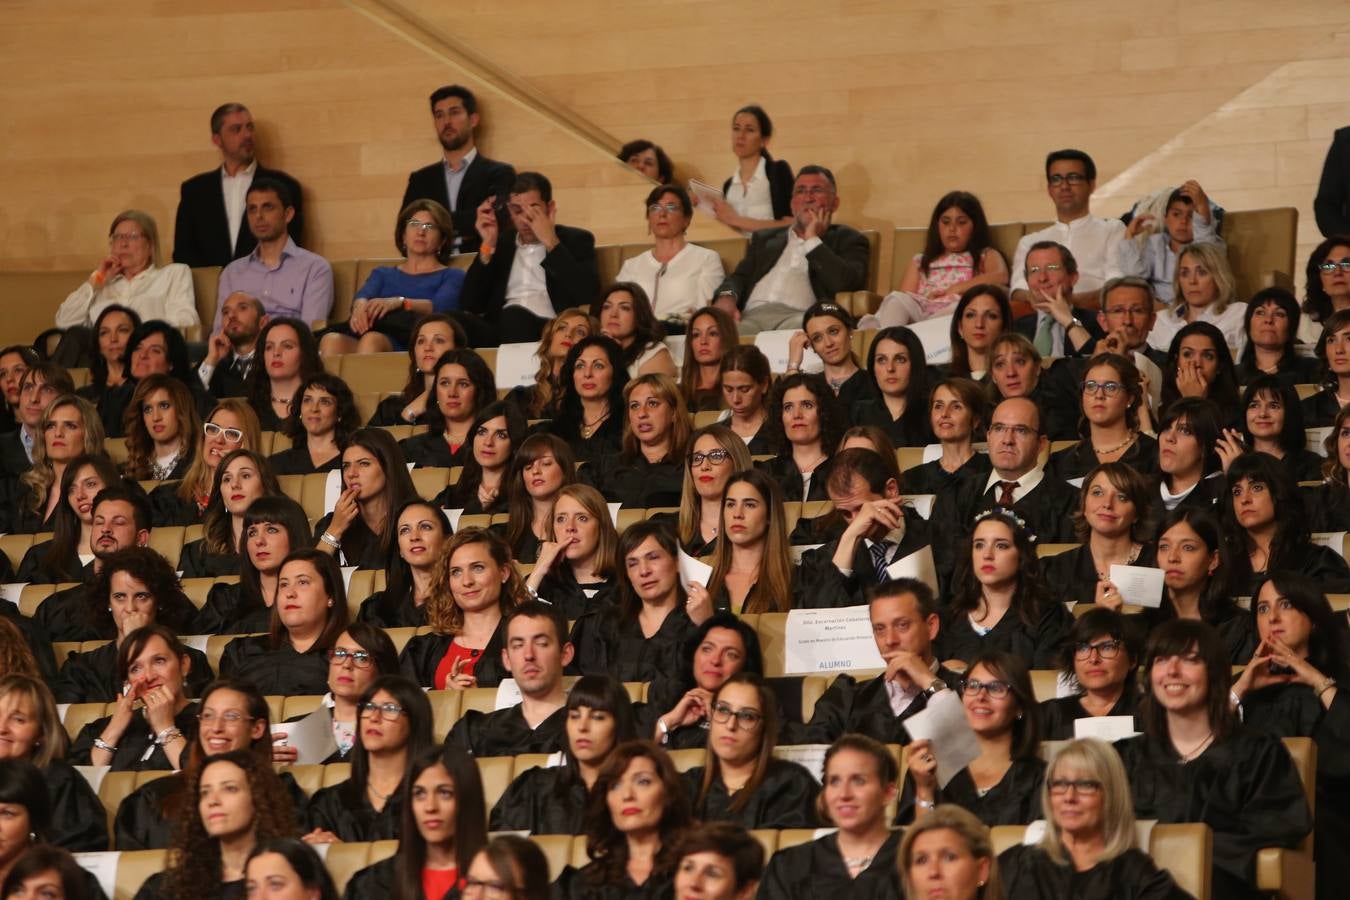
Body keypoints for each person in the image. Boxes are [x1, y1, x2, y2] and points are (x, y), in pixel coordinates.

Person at [1115, 619, 1311, 900]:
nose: (1172, 671)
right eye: (1161, 660)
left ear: (1215, 675)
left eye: (1189, 660)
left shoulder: (1258, 753)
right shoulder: (1124, 757)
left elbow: (1276, 830)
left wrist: (1180, 852)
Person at [1233, 572, 1350, 900]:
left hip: (1329, 818)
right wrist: (1239, 690)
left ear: (1312, 618)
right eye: (1262, 609)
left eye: (1285, 605)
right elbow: (1199, 750)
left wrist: (1317, 680)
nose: (1273, 617)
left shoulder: (1340, 679)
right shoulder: (1244, 688)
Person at [114, 678, 307, 852]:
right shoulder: (152, 798)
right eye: (208, 716)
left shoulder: (281, 792)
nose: (216, 728)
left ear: (257, 729)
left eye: (231, 716)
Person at [998, 738, 1189, 900]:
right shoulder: (1017, 864)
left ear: (1111, 793)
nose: (1069, 797)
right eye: (1060, 784)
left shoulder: (1134, 874)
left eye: (1085, 785)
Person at [790, 578, 959, 745]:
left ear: (931, 626)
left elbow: (967, 754)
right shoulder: (847, 698)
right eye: (880, 629)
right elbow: (810, 758)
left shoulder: (967, 691)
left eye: (902, 625)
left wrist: (929, 681)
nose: (890, 640)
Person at [930, 397, 1079, 583]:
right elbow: (942, 572)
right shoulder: (955, 494)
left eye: (1021, 431)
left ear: (1041, 444)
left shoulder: (1071, 502)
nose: (1007, 440)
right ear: (988, 436)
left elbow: (1066, 575)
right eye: (999, 429)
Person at [712, 166, 869, 334]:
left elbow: (847, 283)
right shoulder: (766, 239)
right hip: (750, 318)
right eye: (801, 191)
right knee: (716, 334)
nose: (808, 197)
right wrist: (726, 297)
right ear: (792, 203)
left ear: (835, 203)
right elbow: (738, 277)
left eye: (817, 190)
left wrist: (812, 240)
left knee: (806, 330)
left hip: (801, 318)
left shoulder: (849, 238)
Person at [901, 649, 1045, 826]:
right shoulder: (928, 768)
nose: (981, 696)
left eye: (996, 688)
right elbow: (914, 846)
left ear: (1019, 707)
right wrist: (924, 790)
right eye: (973, 685)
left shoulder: (1041, 777)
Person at [459, 171, 601, 345]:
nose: (524, 220)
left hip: (551, 328)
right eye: (517, 210)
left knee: (514, 316)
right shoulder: (502, 243)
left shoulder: (575, 239)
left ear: (549, 208)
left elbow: (588, 293)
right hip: (500, 327)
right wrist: (488, 244)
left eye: (533, 209)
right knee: (448, 321)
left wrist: (551, 242)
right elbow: (470, 303)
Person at [51, 547, 208, 704]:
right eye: (120, 597)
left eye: (141, 596)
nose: (130, 608)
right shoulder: (81, 669)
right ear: (108, 602)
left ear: (159, 601)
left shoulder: (192, 660)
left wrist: (136, 640)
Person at [132, 750, 295, 900]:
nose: (213, 801)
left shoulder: (291, 879)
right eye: (205, 792)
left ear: (259, 799)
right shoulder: (166, 888)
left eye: (229, 789)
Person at [757, 734, 904, 900]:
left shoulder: (917, 858)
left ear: (888, 793)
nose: (844, 794)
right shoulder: (789, 865)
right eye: (834, 781)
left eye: (858, 781)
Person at [490, 674, 638, 834]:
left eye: (597, 717)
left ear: (619, 725)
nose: (582, 727)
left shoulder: (637, 793)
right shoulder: (532, 788)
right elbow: (502, 850)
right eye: (574, 716)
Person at [318, 199, 465, 356]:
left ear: (442, 240)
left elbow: (440, 308)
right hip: (370, 333)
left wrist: (400, 303)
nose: (421, 232)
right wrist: (359, 308)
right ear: (403, 235)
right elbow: (362, 297)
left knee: (372, 340)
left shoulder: (452, 275)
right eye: (414, 224)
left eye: (429, 226)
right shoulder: (383, 274)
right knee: (331, 340)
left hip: (413, 341)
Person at [343, 743, 488, 900]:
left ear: (468, 800)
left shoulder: (496, 882)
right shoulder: (373, 884)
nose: (430, 807)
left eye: (445, 793)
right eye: (419, 794)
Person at [796, 448, 935, 608]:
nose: (857, 522)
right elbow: (816, 624)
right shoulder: (821, 560)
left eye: (862, 509)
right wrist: (849, 539)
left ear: (891, 490)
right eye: (845, 513)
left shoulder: (938, 540)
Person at [556, 740, 693, 900]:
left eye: (642, 781)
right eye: (615, 786)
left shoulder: (695, 873)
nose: (627, 795)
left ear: (667, 792)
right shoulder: (583, 884)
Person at [303, 676, 434, 844]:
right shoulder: (330, 802)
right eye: (369, 707)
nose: (374, 717)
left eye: (390, 709)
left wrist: (347, 856)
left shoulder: (431, 802)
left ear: (415, 722)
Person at [173, 102, 305, 268]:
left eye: (250, 127)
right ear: (217, 139)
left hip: (267, 287)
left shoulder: (285, 186)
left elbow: (292, 248)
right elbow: (183, 255)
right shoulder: (194, 191)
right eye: (236, 129)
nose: (247, 135)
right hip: (211, 289)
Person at [680, 672, 817, 830]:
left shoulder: (792, 786)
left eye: (747, 716)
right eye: (723, 710)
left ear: (764, 728)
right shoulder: (688, 785)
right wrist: (663, 725)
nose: (731, 725)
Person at [938, 510, 1071, 668]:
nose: (987, 555)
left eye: (1001, 545)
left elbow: (1046, 683)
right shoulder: (948, 618)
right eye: (979, 545)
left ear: (1022, 555)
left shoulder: (1047, 616)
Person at [569, 520, 696, 683]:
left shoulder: (696, 623)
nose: (644, 571)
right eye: (633, 564)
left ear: (678, 562)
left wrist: (704, 625)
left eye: (653, 558)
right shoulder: (604, 626)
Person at [398, 528, 523, 690]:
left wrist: (478, 698)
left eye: (478, 568)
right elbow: (399, 705)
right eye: (456, 572)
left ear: (504, 573)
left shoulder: (526, 645)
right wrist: (445, 698)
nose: (467, 581)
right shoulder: (421, 649)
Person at [400, 83, 516, 255]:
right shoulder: (421, 179)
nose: (446, 122)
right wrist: (472, 218)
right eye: (439, 115)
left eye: (454, 112)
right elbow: (404, 230)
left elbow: (497, 220)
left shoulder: (500, 173)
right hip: (431, 270)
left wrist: (431, 223)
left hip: (482, 266)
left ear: (473, 119)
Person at [447, 601, 572, 756]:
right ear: (506, 659)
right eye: (518, 646)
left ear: (565, 654)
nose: (528, 655)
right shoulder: (473, 734)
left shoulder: (590, 731)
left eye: (541, 643)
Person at [31, 484, 152, 644]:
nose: (105, 529)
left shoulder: (164, 604)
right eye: (99, 522)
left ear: (141, 538)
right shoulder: (55, 607)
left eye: (118, 522)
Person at [219, 549, 350, 695]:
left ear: (330, 596)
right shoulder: (241, 652)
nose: (290, 593)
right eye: (283, 584)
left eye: (302, 582)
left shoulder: (350, 658)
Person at [1009, 149, 1125, 315]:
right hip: (1041, 317)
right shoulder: (1030, 241)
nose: (1064, 186)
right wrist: (1041, 301)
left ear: (1091, 185)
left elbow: (1117, 285)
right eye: (1056, 179)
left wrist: (1068, 304)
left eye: (1073, 177)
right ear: (1049, 188)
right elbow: (1018, 290)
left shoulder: (1112, 229)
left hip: (1098, 318)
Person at [871, 190, 1009, 327]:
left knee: (960, 308)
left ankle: (922, 333)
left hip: (955, 309)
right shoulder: (921, 260)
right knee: (896, 299)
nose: (952, 228)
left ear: (975, 226)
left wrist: (957, 288)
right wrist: (925, 300)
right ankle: (889, 343)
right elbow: (906, 296)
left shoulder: (985, 254)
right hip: (922, 310)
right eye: (945, 222)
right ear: (937, 226)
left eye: (961, 222)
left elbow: (1000, 276)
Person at [68, 624, 198, 771]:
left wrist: (165, 728)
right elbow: (82, 784)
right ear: (127, 681)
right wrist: (114, 729)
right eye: (136, 669)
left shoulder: (209, 723)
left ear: (184, 665)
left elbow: (202, 780)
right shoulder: (101, 728)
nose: (149, 676)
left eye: (159, 661)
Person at [0, 676, 107, 852]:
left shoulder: (59, 781)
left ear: (41, 733)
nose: (2, 727)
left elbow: (72, 852)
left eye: (18, 719)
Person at [1221, 452, 1350, 596]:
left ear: (1279, 492)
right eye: (1237, 492)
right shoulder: (1224, 565)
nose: (1244, 499)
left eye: (1256, 488)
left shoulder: (1316, 562)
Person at [214, 178, 333, 329]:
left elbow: (309, 332)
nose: (258, 216)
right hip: (239, 350)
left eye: (267, 207)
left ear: (288, 214)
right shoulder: (232, 272)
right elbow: (220, 330)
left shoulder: (315, 268)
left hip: (286, 349)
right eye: (252, 209)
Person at [1144, 507, 1255, 664]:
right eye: (1164, 547)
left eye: (1187, 547)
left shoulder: (1238, 628)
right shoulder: (1144, 624)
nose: (1172, 557)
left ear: (1213, 560)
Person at [278, 624, 399, 766]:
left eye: (361, 657)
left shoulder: (395, 732)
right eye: (340, 654)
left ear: (382, 672)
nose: (347, 664)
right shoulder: (293, 728)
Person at [54, 211, 197, 331]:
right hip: (101, 356)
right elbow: (64, 322)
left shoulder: (173, 274)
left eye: (132, 237)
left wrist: (134, 334)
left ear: (151, 246)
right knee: (75, 336)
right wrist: (96, 279)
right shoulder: (102, 284)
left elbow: (186, 321)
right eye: (117, 237)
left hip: (145, 350)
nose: (123, 244)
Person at [190, 494, 310, 635]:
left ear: (294, 536)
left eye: (271, 530)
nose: (259, 541)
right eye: (252, 532)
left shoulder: (311, 598)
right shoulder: (225, 601)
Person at [1043, 462, 1156, 609]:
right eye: (1097, 493)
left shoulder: (1157, 563)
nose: (1107, 504)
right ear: (1083, 504)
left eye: (1121, 497)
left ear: (1137, 513)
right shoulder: (1051, 570)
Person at [643, 613, 763, 750]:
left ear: (745, 667)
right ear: (693, 655)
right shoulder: (664, 697)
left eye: (731, 654)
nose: (715, 660)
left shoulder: (758, 711)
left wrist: (720, 713)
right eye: (707, 649)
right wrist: (668, 722)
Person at [690, 469, 796, 617]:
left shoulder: (796, 582)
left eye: (750, 505)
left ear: (769, 516)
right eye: (730, 504)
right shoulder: (701, 582)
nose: (737, 514)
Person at [617, 186, 726, 328]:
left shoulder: (707, 259)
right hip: (637, 336)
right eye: (655, 208)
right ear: (648, 218)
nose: (662, 214)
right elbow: (618, 309)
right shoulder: (631, 265)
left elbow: (705, 313)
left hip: (682, 335)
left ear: (686, 219)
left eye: (671, 207)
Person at [313, 428, 419, 569]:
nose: (351, 474)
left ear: (388, 467)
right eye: (346, 466)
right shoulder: (331, 524)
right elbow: (308, 576)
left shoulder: (416, 520)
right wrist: (335, 529)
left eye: (363, 463)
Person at [149, 398, 261, 526]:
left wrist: (240, 465)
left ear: (246, 444)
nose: (219, 440)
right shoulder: (163, 498)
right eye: (213, 429)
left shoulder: (250, 502)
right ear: (203, 438)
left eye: (231, 434)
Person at [14, 453, 119, 584]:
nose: (80, 495)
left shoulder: (129, 558)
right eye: (71, 489)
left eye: (90, 484)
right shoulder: (40, 557)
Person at [1048, 354, 1156, 482]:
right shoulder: (1060, 462)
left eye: (1110, 387)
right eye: (1091, 386)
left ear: (1129, 398)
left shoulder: (1154, 454)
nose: (1099, 395)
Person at [1038, 609, 1143, 740]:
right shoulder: (1049, 714)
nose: (1093, 658)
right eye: (1083, 648)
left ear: (1132, 660)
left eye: (1107, 647)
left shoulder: (1152, 712)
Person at [590, 373, 690, 508]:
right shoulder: (605, 467)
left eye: (652, 403)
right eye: (634, 406)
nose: (642, 413)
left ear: (673, 412)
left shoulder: (692, 467)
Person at [1118, 181, 1223, 305]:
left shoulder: (1209, 247)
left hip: (1199, 310)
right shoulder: (1155, 243)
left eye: (1191, 216)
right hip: (1162, 313)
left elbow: (1204, 233)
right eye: (1176, 214)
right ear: (1165, 218)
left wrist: (1202, 205)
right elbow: (1134, 278)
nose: (1183, 221)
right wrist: (1129, 236)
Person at [179, 448, 280, 578]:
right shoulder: (195, 554)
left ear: (265, 485)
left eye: (245, 476)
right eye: (227, 479)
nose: (234, 484)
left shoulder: (282, 548)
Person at [526, 484, 622, 619]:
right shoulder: (541, 583)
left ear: (601, 527)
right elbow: (512, 631)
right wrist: (538, 570)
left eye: (582, 518)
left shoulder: (625, 583)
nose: (570, 527)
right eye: (561, 519)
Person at [13, 395, 104, 535]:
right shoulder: (28, 490)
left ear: (88, 434)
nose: (58, 433)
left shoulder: (101, 490)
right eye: (51, 426)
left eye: (70, 426)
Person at [397, 348, 497, 469]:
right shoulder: (410, 450)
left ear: (480, 392)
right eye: (445, 383)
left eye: (463, 384)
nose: (452, 393)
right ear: (436, 391)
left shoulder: (496, 446)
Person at [356, 501, 450, 628]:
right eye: (405, 530)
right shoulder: (375, 609)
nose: (414, 537)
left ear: (447, 540)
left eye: (425, 527)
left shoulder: (461, 600)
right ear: (400, 549)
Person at [366, 314, 469, 427]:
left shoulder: (464, 404)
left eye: (439, 340)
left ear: (457, 350)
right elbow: (365, 443)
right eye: (421, 341)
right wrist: (408, 414)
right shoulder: (390, 408)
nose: (428, 347)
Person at [707, 104, 794, 235]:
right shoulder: (729, 185)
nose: (740, 135)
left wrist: (735, 220)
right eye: (736, 129)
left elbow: (793, 223)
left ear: (764, 140)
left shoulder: (778, 172)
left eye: (750, 130)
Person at [758, 372, 845, 502]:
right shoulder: (764, 473)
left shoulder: (843, 472)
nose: (797, 414)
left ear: (824, 413)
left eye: (807, 405)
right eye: (788, 407)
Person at [1147, 243, 1246, 356]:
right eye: (1185, 273)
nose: (1192, 281)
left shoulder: (1238, 314)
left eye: (1202, 272)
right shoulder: (1160, 321)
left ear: (1218, 277)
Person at [434, 400, 526, 515]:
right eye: (482, 432)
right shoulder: (451, 497)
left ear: (514, 444)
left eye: (501, 435)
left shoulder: (524, 497)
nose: (488, 442)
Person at [901, 378, 990, 495]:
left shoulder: (991, 472)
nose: (944, 414)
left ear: (975, 420)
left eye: (956, 407)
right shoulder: (911, 479)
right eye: (938, 406)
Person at [675, 424, 753, 557]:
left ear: (737, 463)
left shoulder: (756, 528)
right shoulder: (668, 528)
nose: (704, 466)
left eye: (716, 456)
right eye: (697, 458)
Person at [498, 433, 576, 564]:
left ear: (565, 471)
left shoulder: (578, 529)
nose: (535, 471)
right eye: (528, 467)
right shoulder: (501, 535)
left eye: (545, 463)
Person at [547, 335, 628, 462]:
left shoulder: (629, 425)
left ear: (615, 372)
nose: (587, 374)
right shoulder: (556, 429)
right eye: (580, 366)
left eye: (598, 366)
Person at [849, 326, 933, 446]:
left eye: (900, 359)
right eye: (881, 360)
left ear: (915, 364)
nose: (890, 368)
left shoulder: (934, 412)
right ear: (872, 367)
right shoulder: (859, 413)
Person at [1015, 241, 1101, 359]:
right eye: (1034, 270)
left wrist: (1069, 321)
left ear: (1073, 277)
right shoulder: (1015, 328)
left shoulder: (1099, 321)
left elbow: (1098, 365)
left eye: (1051, 268)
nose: (1042, 278)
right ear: (1027, 280)